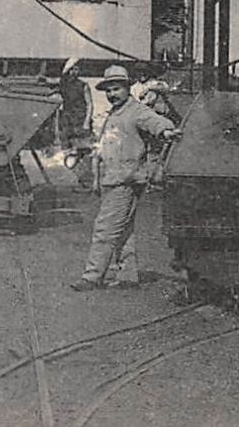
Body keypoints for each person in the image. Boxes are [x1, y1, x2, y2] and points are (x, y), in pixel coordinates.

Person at [71, 65, 180, 291]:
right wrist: (96, 178)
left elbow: (154, 121)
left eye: (117, 89)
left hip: (126, 181)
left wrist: (166, 130)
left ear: (127, 87)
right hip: (113, 179)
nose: (112, 94)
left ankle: (91, 277)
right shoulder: (114, 114)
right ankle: (128, 275)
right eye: (108, 90)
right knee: (123, 229)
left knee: (105, 228)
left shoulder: (135, 110)